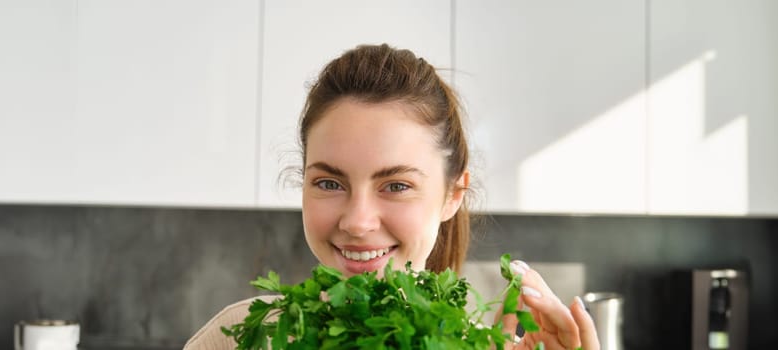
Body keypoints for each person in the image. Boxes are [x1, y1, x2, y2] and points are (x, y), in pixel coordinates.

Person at [184, 44, 599, 350]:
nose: (357, 221)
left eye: (396, 186)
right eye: (330, 183)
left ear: (452, 196)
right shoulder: (240, 337)